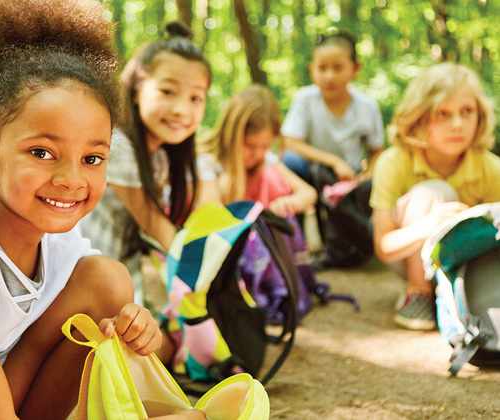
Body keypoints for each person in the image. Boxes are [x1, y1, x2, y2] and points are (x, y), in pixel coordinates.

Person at [0, 1, 205, 419]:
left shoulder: (62, 244)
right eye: (42, 152)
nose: (71, 179)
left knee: (107, 280)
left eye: (92, 158)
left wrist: (136, 328)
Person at [78, 22, 212, 306]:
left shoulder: (160, 158)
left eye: (195, 98)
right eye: (167, 91)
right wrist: (212, 272)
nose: (181, 110)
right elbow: (154, 225)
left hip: (119, 272)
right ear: (137, 91)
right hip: (82, 278)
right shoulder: (116, 146)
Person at [371, 62, 500, 331]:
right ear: (419, 116)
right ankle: (418, 293)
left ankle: (459, 297)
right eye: (443, 113)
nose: (457, 124)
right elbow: (383, 247)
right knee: (435, 192)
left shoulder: (490, 168)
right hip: (408, 256)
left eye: (467, 112)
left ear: (480, 116)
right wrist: (429, 225)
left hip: (466, 264)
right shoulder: (393, 162)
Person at [280, 32, 385, 267]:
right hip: (312, 172)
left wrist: (365, 176)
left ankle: (359, 242)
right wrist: (332, 161)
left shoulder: (367, 106)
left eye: (338, 67)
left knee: (373, 184)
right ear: (311, 69)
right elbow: (290, 142)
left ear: (355, 68)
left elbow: (377, 150)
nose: (329, 75)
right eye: (322, 67)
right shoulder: (305, 99)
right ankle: (291, 244)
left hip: (351, 178)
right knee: (288, 164)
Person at [197, 84, 317, 217]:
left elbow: (308, 193)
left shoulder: (265, 158)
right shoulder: (207, 162)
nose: (258, 154)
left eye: (266, 146)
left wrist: (288, 202)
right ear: (231, 134)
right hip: (227, 232)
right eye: (250, 145)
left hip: (259, 230)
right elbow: (211, 215)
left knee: (270, 176)